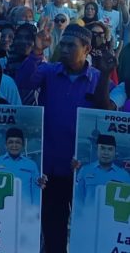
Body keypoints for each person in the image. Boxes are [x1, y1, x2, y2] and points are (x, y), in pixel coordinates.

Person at [16, 23, 102, 252]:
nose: (64, 49)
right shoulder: (48, 71)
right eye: (62, 44)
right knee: (54, 229)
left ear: (87, 49)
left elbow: (110, 112)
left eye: (71, 45)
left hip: (83, 169)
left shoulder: (98, 79)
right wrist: (36, 52)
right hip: (52, 166)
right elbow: (23, 81)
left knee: (86, 227)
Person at [0, 128, 43, 206]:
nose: (14, 145)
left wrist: (35, 211)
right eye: (10, 142)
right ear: (6, 145)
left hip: (25, 210)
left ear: (23, 145)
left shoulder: (31, 165)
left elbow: (36, 190)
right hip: (2, 208)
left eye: (18, 142)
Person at [74, 134, 130, 208]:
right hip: (88, 218)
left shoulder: (124, 176)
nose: (106, 153)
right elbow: (78, 199)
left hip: (111, 219)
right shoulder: (85, 170)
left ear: (115, 152)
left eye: (110, 149)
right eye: (102, 148)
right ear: (97, 149)